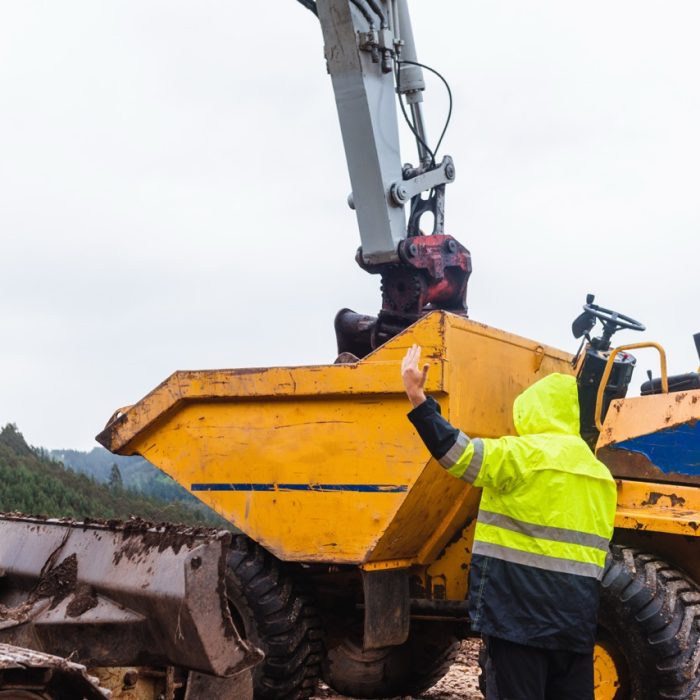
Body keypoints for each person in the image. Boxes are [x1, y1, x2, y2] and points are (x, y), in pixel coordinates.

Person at [401, 344, 617, 700]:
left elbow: (458, 454)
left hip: (519, 618)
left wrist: (418, 398)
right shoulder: (600, 474)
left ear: (532, 413)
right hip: (575, 623)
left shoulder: (522, 455)